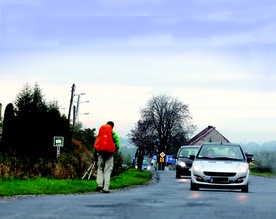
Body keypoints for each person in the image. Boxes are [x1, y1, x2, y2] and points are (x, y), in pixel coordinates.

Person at [94, 121, 120, 193]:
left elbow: (96, 143)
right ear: (112, 126)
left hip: (101, 153)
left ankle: (99, 185)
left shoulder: (101, 133)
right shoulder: (113, 133)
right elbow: (118, 143)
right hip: (110, 154)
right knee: (107, 170)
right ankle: (106, 188)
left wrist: (95, 154)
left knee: (100, 169)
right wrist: (115, 149)